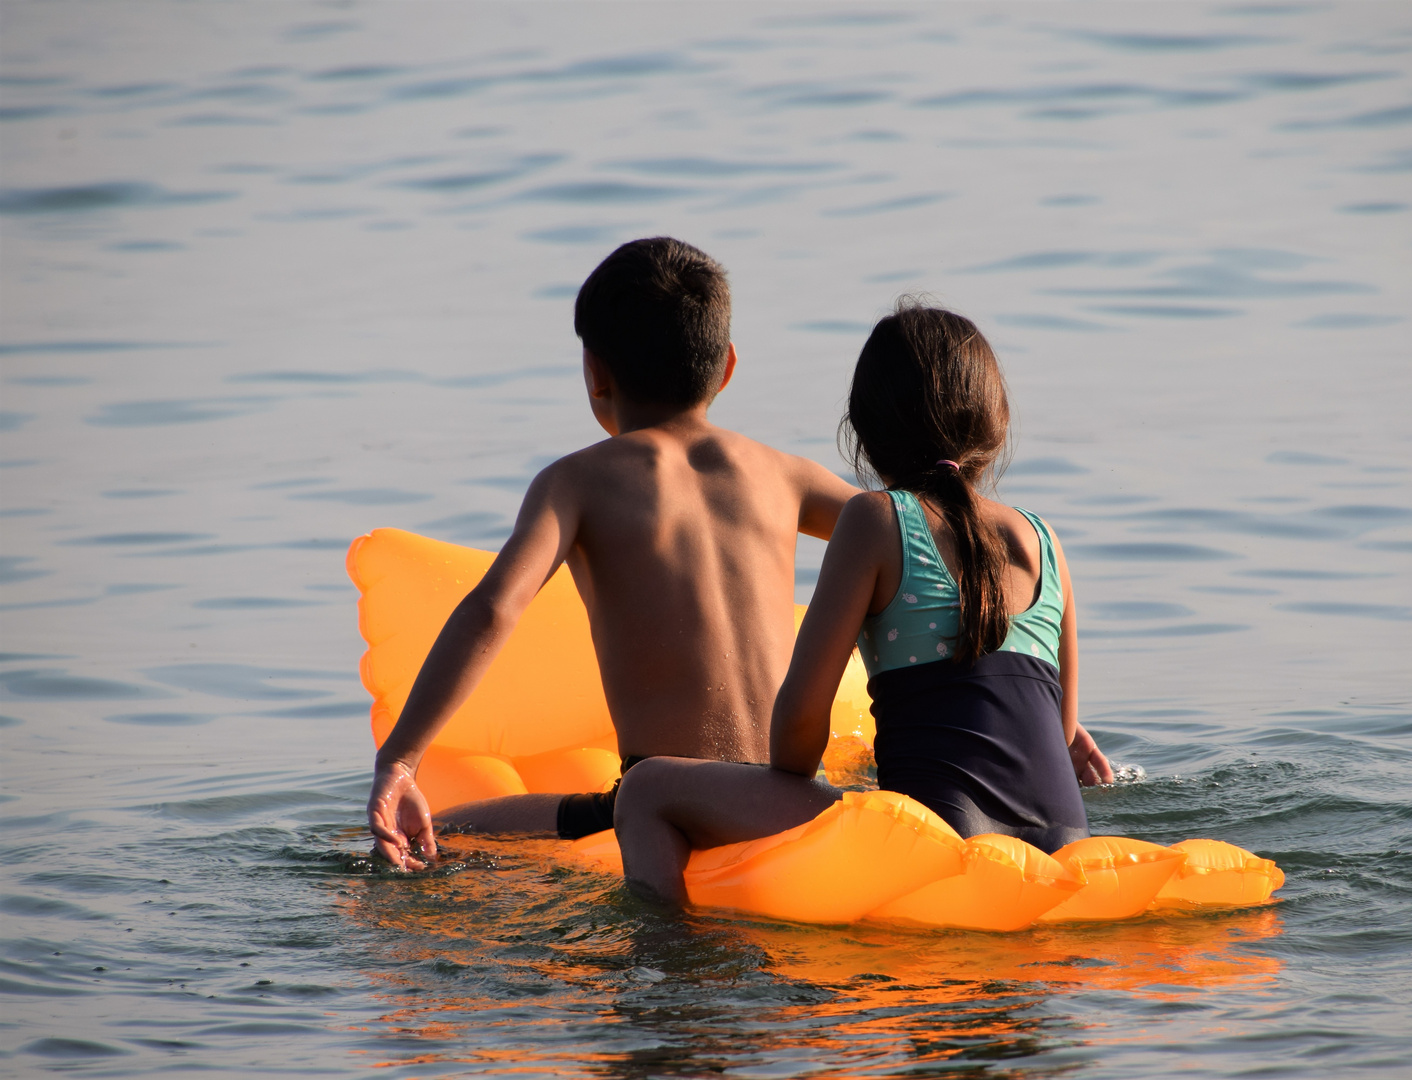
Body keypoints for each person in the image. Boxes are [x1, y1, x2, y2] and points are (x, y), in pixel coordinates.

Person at [367, 237, 857, 869]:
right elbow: (909, 538)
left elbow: (495, 609)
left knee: (436, 838)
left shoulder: (577, 482)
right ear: (728, 365)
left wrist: (400, 761)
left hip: (670, 810)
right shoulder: (787, 475)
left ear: (594, 372)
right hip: (791, 797)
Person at [615, 302, 1114, 905]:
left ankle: (673, 975)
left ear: (863, 429)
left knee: (643, 790)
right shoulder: (1046, 540)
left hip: (941, 841)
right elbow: (1061, 735)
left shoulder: (876, 520)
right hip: (1064, 847)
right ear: (997, 424)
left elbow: (799, 720)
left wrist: (789, 778)